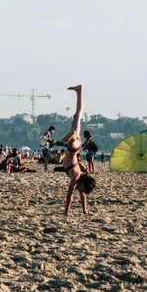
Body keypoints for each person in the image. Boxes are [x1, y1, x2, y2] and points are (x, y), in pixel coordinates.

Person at [59, 85, 96, 215]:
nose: (80, 190)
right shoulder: (75, 178)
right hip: (73, 148)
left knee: (77, 115)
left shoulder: (79, 177)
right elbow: (69, 196)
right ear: (82, 184)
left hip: (76, 147)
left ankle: (79, 92)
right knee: (73, 133)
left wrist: (84, 210)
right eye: (82, 189)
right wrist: (66, 212)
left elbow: (81, 196)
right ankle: (71, 136)